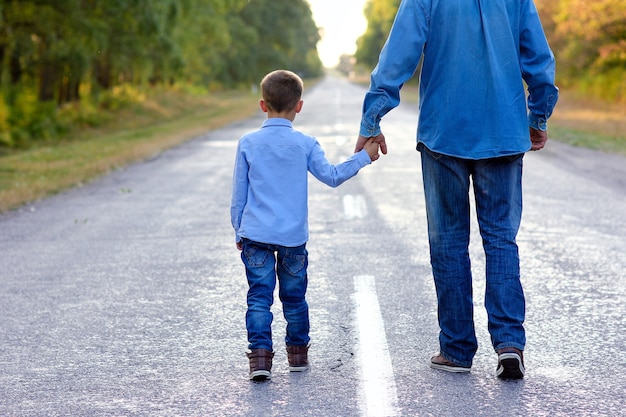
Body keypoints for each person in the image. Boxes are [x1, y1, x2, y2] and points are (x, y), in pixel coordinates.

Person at [355, 0, 558, 379]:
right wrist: (539, 115)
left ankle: (457, 349)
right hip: (503, 131)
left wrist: (372, 118)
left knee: (448, 241)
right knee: (500, 238)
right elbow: (539, 62)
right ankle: (510, 344)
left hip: (443, 132)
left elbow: (396, 58)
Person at [231, 69, 379, 381]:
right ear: (299, 106)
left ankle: (259, 359)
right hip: (292, 238)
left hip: (255, 235)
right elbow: (333, 176)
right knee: (294, 296)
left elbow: (239, 196)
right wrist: (364, 157)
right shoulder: (305, 144)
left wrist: (238, 231)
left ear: (262, 105)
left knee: (259, 296)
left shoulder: (248, 143)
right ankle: (297, 354)